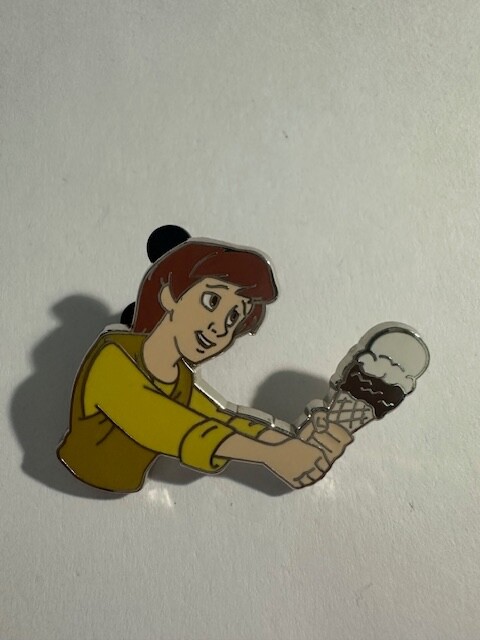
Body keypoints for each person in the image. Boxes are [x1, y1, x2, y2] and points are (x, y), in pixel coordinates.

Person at [58, 236, 352, 492]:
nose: (220, 328)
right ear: (169, 295)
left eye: (233, 318)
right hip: (66, 483)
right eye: (212, 301)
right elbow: (169, 426)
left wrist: (288, 441)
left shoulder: (180, 380)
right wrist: (270, 454)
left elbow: (223, 418)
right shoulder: (112, 359)